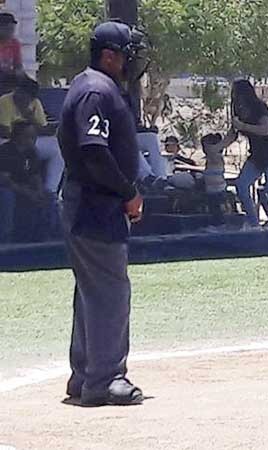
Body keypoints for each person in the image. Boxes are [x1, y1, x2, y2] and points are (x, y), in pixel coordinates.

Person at [57, 20, 146, 406]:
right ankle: (105, 379)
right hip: (96, 206)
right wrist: (128, 192)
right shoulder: (96, 89)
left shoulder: (90, 84)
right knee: (109, 291)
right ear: (109, 56)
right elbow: (94, 152)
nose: (131, 62)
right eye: (126, 55)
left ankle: (84, 374)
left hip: (88, 203)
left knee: (92, 291)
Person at [230, 79, 268, 229]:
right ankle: (254, 223)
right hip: (257, 155)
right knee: (242, 185)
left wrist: (244, 126)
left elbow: (265, 130)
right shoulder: (238, 110)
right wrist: (217, 147)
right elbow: (233, 133)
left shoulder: (259, 107)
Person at [0, 121, 45, 243]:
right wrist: (28, 192)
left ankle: (41, 238)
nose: (33, 139)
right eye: (30, 136)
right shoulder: (5, 151)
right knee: (7, 196)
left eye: (34, 135)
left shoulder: (32, 152)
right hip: (7, 188)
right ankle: (6, 240)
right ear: (19, 136)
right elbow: (5, 180)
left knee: (48, 196)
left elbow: (35, 175)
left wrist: (39, 191)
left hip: (24, 187)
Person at [201, 131, 233, 227]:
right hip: (211, 189)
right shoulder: (209, 159)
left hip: (217, 189)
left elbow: (213, 154)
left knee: (217, 207)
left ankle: (220, 224)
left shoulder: (217, 158)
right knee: (213, 207)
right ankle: (216, 223)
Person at [0, 12, 22, 95]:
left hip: (7, 78)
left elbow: (18, 66)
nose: (11, 32)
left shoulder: (15, 43)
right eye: (8, 29)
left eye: (12, 29)